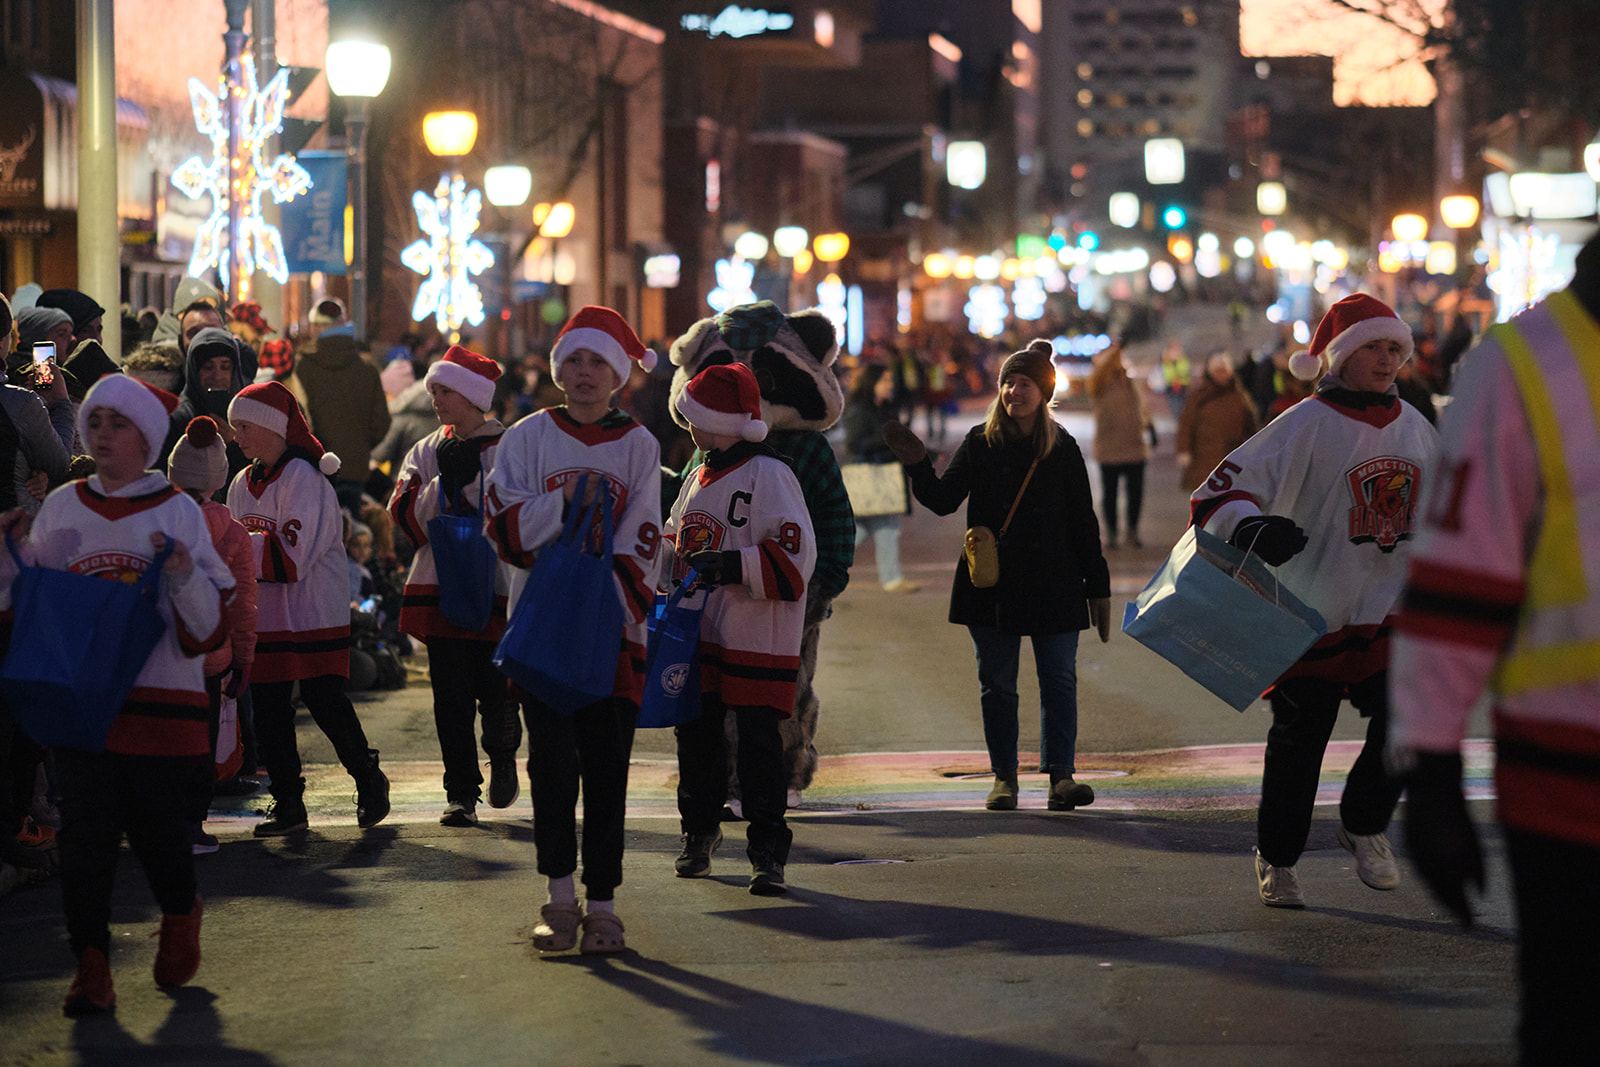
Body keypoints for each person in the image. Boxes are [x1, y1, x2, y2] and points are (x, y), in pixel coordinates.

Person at [1389, 233, 1600, 1063]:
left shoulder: (1523, 364)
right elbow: (1456, 584)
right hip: (1571, 791)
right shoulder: (1524, 366)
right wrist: (1432, 771)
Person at [1189, 293, 1438, 909]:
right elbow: (1219, 492)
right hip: (1310, 609)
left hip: (1390, 608)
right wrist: (1251, 526)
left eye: (1394, 349)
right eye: (1373, 347)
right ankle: (1278, 856)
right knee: (1301, 741)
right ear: (1341, 355)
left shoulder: (1415, 426)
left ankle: (1364, 821)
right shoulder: (1302, 423)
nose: (1386, 360)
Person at [0, 374, 234, 1013]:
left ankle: (180, 911)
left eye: (118, 423)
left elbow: (210, 625)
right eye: (96, 421)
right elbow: (33, 601)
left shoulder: (178, 510)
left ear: (148, 439)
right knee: (86, 842)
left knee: (161, 839)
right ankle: (91, 965)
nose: (102, 433)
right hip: (82, 707)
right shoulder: (65, 506)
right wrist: (13, 552)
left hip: (162, 707)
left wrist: (182, 573)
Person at [482, 306, 661, 953]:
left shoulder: (639, 444)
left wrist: (600, 604)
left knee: (608, 771)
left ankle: (604, 904)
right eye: (574, 360)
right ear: (559, 369)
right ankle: (559, 897)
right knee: (552, 768)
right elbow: (500, 525)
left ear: (618, 374)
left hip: (612, 634)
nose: (585, 373)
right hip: (544, 631)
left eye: (598, 362)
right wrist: (562, 503)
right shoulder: (526, 437)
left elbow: (646, 536)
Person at [884, 339, 1112, 811]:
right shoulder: (980, 442)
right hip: (993, 584)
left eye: (1024, 384)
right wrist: (918, 465)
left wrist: (1098, 587)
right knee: (998, 685)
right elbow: (944, 501)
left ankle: (1062, 778)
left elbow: (1083, 521)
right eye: (1008, 383)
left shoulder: (1062, 447)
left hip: (1055, 581)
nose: (1014, 392)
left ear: (1043, 393)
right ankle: (1004, 778)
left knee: (1059, 680)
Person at [666, 362, 815, 894]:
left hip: (756, 635)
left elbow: (796, 555)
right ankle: (698, 831)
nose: (689, 427)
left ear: (723, 421)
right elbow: (675, 535)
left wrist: (732, 565)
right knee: (697, 739)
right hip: (701, 631)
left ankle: (767, 850)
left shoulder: (769, 475)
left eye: (696, 417)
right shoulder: (698, 474)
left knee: (758, 747)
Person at [226, 381, 390, 835]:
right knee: (270, 708)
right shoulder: (240, 483)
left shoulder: (305, 478)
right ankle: (288, 803)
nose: (236, 436)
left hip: (313, 612)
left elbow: (289, 561)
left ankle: (368, 778)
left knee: (325, 701)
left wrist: (236, 548)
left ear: (272, 428)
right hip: (266, 616)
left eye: (244, 426)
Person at [389, 345, 521, 827]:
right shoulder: (426, 449)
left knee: (495, 690)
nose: (436, 399)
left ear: (472, 396)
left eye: (445, 391)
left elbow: (518, 513)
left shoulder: (511, 447)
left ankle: (502, 754)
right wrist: (442, 483)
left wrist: (468, 485)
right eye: (434, 390)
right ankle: (461, 791)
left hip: (498, 584)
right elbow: (405, 517)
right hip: (440, 585)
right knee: (450, 697)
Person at [166, 416, 257, 855]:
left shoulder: (156, 520)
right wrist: (243, 659)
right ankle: (192, 825)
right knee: (200, 743)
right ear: (220, 479)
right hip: (211, 655)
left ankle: (160, 822)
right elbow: (243, 603)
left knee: (163, 738)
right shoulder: (235, 533)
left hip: (162, 653)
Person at [293, 298, 390, 511]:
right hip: (353, 468)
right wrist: (359, 445)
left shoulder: (302, 367)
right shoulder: (367, 369)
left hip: (313, 466)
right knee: (351, 527)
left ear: (315, 327)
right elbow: (381, 422)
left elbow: (297, 417)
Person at [842, 364, 917, 592]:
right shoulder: (859, 409)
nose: (889, 384)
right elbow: (855, 443)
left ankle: (891, 577)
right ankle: (891, 578)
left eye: (890, 380)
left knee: (877, 527)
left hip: (882, 474)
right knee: (879, 526)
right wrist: (888, 440)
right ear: (871, 382)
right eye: (884, 380)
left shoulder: (886, 408)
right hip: (867, 475)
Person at [1087, 341, 1152, 549]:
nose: (1119, 361)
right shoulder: (1099, 382)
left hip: (1134, 446)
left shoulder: (1129, 381)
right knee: (1110, 494)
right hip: (1109, 448)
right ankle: (1112, 533)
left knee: (1135, 494)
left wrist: (1149, 426)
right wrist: (1111, 354)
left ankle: (1132, 530)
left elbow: (1141, 406)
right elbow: (1097, 377)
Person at [1175, 351, 1259, 491]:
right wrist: (1183, 449)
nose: (1222, 375)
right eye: (1218, 371)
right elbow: (1186, 424)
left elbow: (1251, 427)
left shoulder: (1240, 397)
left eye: (1224, 371)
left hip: (1231, 459)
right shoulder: (1198, 396)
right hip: (1203, 460)